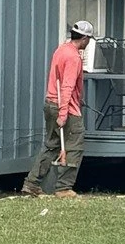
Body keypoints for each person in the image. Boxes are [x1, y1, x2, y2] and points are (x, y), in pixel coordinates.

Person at [22, 20, 95, 197]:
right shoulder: (73, 57)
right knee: (75, 143)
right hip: (65, 107)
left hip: (51, 103)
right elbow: (67, 86)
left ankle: (31, 185)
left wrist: (77, 99)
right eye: (89, 39)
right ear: (84, 38)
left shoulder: (61, 50)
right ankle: (64, 187)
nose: (89, 43)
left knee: (51, 145)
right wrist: (64, 113)